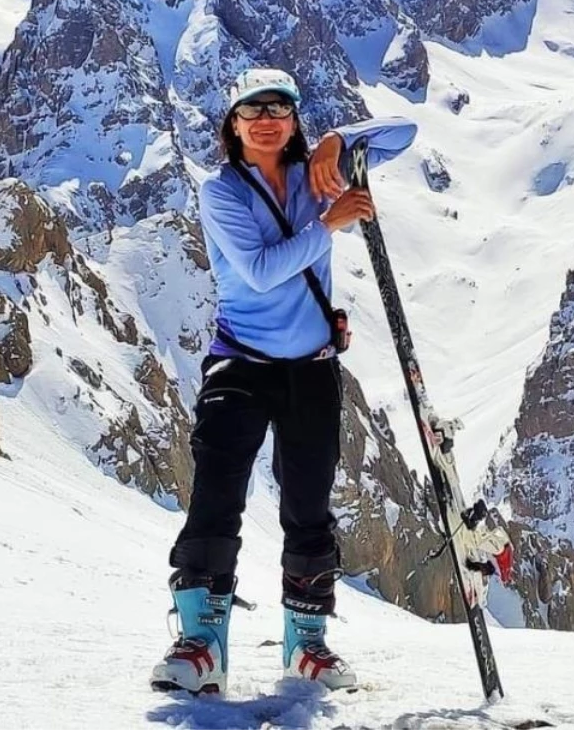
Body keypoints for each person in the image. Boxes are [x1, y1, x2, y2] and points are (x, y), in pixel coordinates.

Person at [150, 67, 417, 698]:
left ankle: (306, 644)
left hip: (312, 368)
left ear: (294, 118)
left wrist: (338, 141)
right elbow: (261, 271)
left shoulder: (315, 174)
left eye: (278, 109)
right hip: (241, 364)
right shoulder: (221, 192)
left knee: (308, 506)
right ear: (233, 123)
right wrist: (329, 224)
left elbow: (404, 131)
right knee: (216, 496)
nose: (266, 120)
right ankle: (201, 644)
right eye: (252, 110)